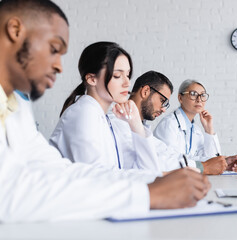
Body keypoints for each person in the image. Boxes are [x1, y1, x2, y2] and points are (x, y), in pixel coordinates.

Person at [0, 0, 210, 223]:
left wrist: (155, 180)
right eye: (54, 49)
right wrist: (148, 193)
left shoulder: (15, 104)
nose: (59, 66)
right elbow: (6, 196)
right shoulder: (83, 113)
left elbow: (61, 171)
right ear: (15, 30)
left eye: (127, 75)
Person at [50, 42, 160, 172]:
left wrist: (136, 125)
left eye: (128, 75)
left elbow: (149, 172)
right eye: (117, 76)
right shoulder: (84, 113)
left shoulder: (105, 119)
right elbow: (97, 180)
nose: (127, 83)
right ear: (91, 79)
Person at [126, 72, 237, 174]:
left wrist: (224, 162)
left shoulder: (196, 129)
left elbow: (171, 155)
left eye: (203, 95)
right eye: (193, 94)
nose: (163, 109)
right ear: (180, 98)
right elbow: (163, 162)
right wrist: (204, 167)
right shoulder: (168, 125)